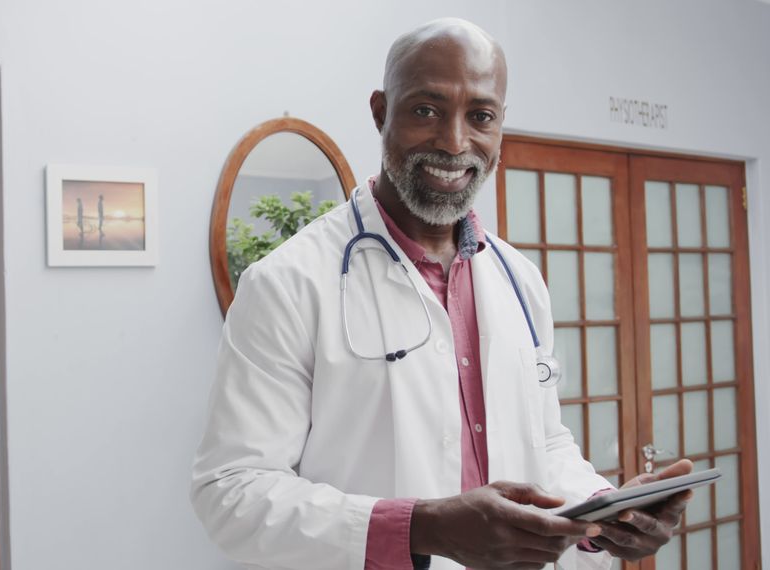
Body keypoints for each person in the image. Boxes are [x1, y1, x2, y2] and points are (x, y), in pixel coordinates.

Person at [190, 18, 692, 570]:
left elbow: (545, 444)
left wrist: (601, 518)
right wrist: (421, 528)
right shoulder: (288, 282)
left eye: (480, 116)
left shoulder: (521, 280)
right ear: (381, 112)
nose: (455, 142)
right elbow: (231, 492)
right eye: (426, 110)